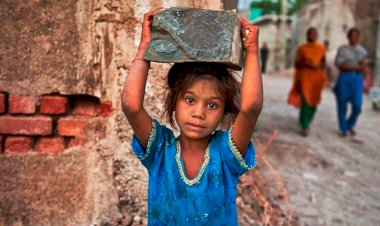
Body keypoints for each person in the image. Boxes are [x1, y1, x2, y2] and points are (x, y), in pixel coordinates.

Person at [121, 8, 263, 225]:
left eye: (212, 105)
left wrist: (252, 50)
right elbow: (131, 106)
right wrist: (144, 48)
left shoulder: (226, 154)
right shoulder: (160, 150)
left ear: (224, 112)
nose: (199, 113)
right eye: (190, 100)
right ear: (174, 101)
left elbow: (251, 107)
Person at [287, 27, 327, 137]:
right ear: (307, 35)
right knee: (306, 100)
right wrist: (306, 64)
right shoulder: (302, 48)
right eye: (311, 34)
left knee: (314, 101)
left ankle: (306, 120)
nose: (313, 36)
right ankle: (305, 126)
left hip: (317, 79)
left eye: (315, 34)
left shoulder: (321, 48)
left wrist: (318, 65)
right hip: (305, 78)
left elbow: (324, 63)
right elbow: (297, 64)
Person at [334, 28, 368, 137]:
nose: (354, 38)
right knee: (342, 104)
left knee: (357, 106)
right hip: (344, 78)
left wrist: (353, 67)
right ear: (348, 37)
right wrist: (357, 67)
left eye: (356, 36)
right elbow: (340, 66)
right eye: (352, 35)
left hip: (357, 79)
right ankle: (343, 129)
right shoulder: (342, 50)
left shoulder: (362, 51)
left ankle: (349, 124)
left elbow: (364, 66)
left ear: (358, 37)